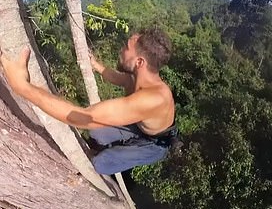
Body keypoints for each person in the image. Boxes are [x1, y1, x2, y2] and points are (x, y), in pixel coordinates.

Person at [0, 27, 176, 175]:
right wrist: (96, 65)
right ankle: (110, 145)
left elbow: (82, 117)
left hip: (155, 144)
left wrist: (22, 87)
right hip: (138, 125)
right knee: (96, 134)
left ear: (139, 62)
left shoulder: (153, 99)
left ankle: (110, 154)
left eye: (126, 47)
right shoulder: (137, 78)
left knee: (101, 164)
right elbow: (117, 78)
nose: (122, 49)